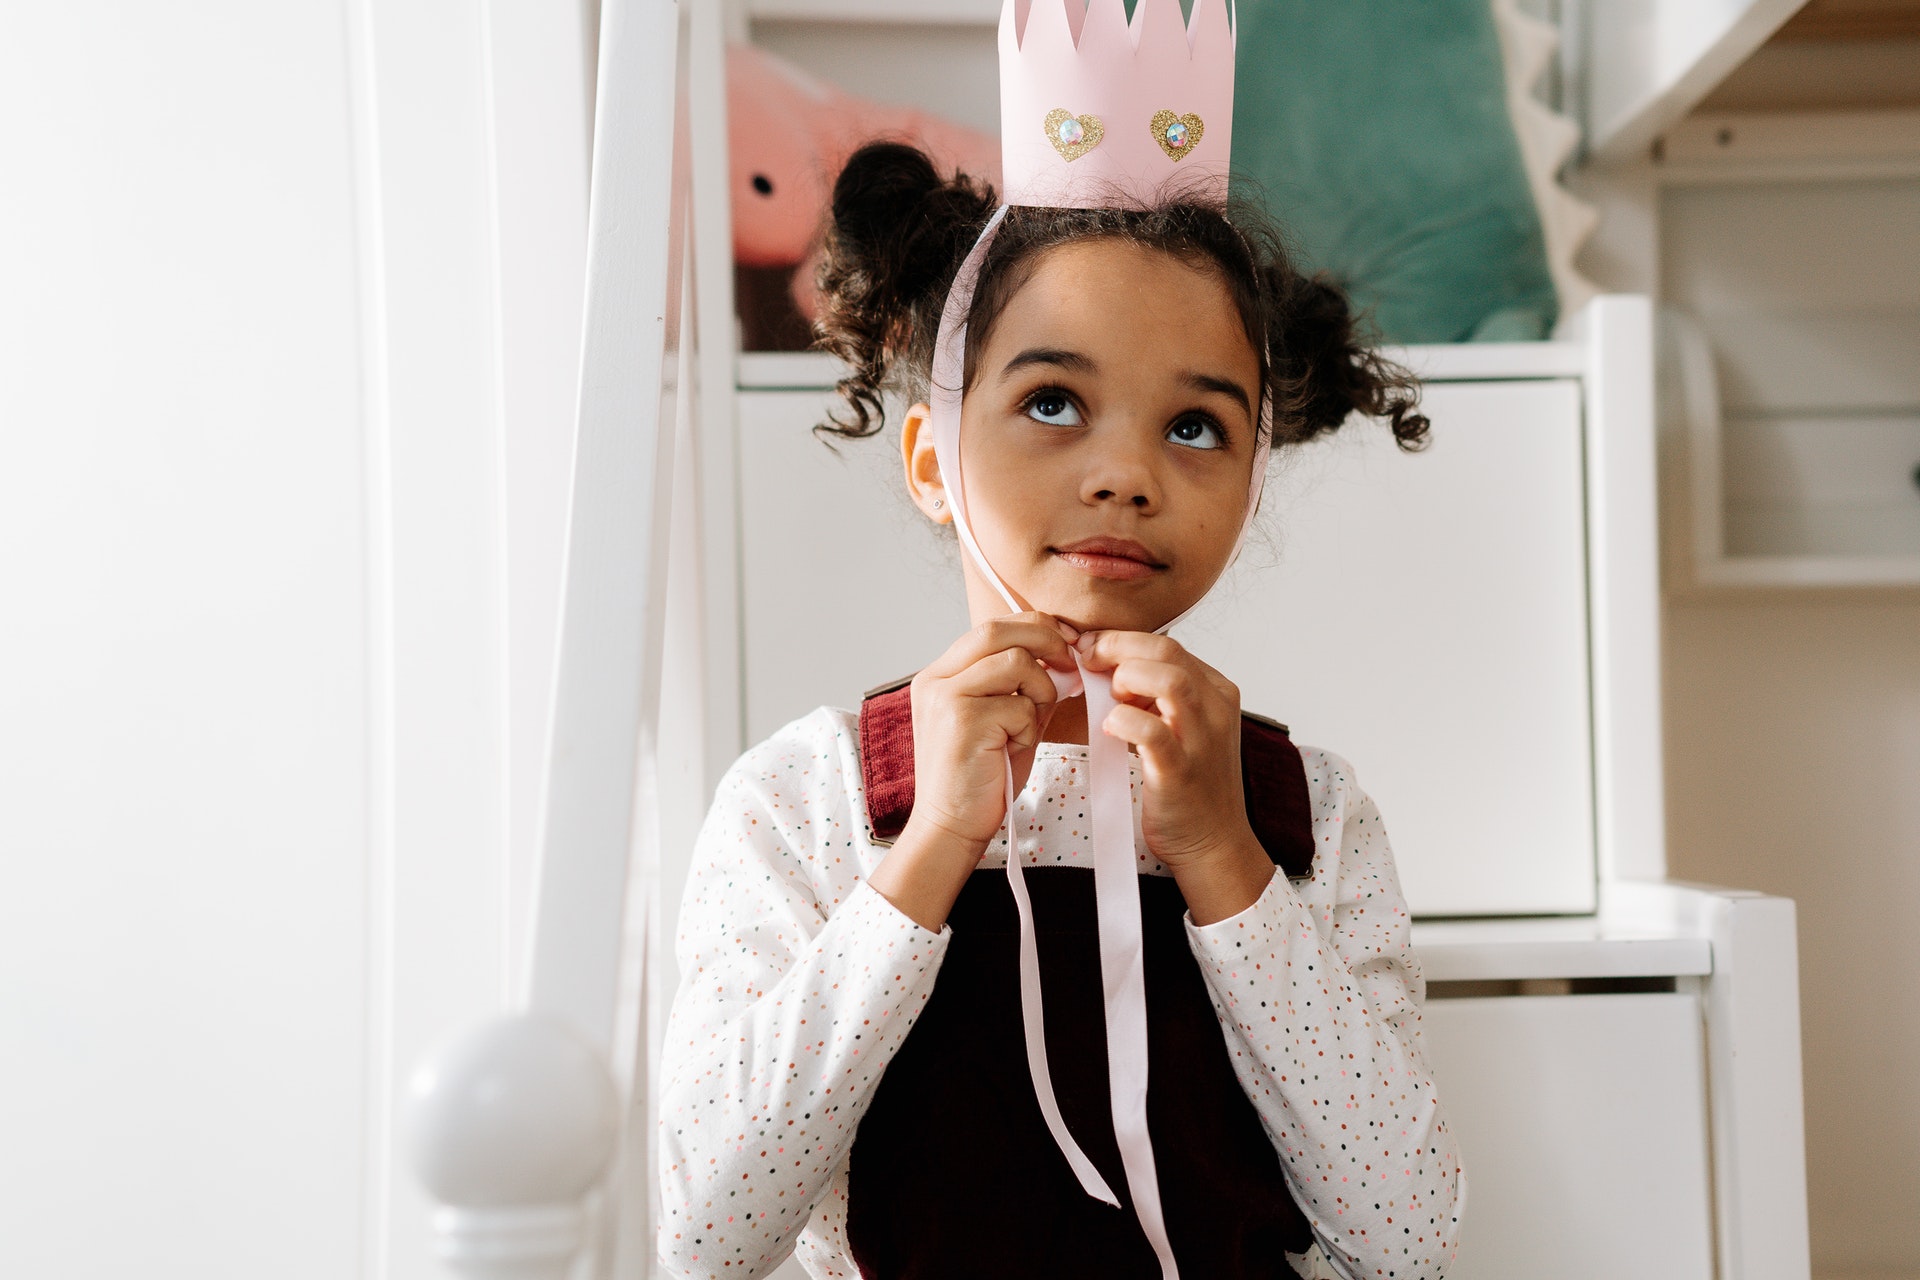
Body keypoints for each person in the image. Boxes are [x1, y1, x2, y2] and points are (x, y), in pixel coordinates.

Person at [660, 6, 1461, 1276]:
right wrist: (926, 852)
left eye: (1196, 426)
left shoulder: (1313, 817)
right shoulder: (802, 808)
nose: (1126, 474)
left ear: (1254, 478)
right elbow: (707, 1231)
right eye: (1051, 401)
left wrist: (1218, 849)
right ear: (932, 458)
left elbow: (1407, 1233)